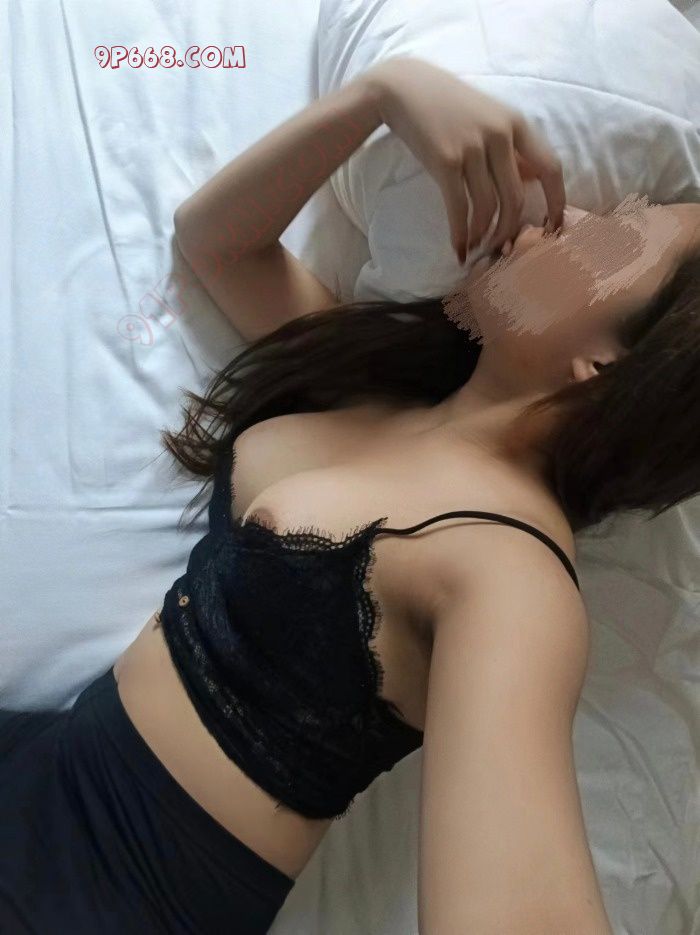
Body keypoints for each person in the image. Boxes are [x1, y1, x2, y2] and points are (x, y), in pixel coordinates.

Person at [2, 55, 699, 935]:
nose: (574, 218)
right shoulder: (390, 387)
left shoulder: (512, 572)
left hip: (91, 898)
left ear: (606, 366)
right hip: (42, 767)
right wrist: (383, 93)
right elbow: (212, 240)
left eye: (616, 237)